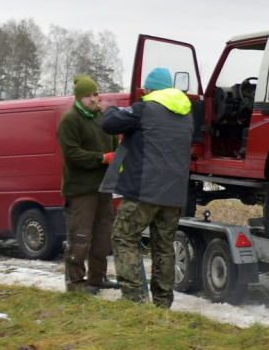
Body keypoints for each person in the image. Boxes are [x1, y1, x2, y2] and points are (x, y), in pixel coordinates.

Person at [100, 67, 193, 308]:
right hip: (174, 195)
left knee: (123, 236)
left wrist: (112, 107)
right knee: (163, 247)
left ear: (149, 89)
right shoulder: (186, 114)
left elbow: (109, 122)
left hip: (144, 191)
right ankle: (162, 304)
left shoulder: (144, 109)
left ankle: (135, 300)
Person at [57, 74, 119, 294]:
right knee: (80, 236)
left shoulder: (102, 118)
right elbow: (72, 154)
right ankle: (75, 283)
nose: (94, 99)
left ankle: (97, 278)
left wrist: (118, 158)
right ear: (79, 98)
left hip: (104, 188)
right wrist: (102, 158)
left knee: (103, 236)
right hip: (81, 190)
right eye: (88, 96)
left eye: (95, 94)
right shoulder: (70, 121)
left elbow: (115, 146)